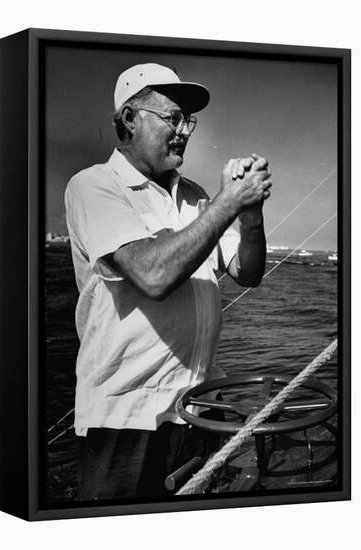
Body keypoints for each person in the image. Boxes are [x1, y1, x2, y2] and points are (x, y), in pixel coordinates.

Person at [65, 63, 272, 500]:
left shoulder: (197, 196)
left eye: (187, 121)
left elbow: (248, 274)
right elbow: (152, 275)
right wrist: (227, 203)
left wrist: (249, 217)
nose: (183, 131)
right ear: (129, 118)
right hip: (125, 418)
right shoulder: (94, 186)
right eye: (171, 118)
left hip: (196, 410)